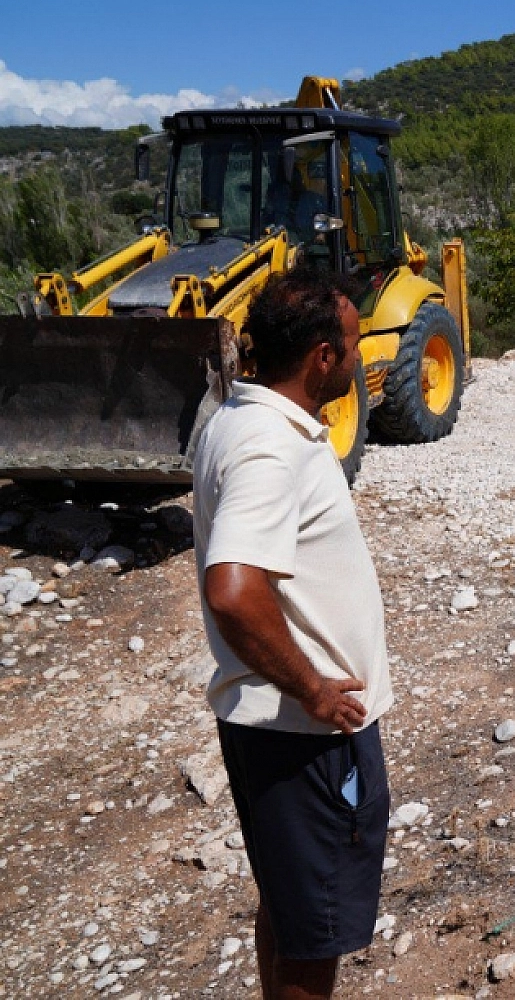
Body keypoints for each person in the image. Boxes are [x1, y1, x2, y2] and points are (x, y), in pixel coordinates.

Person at [193, 272, 392, 1000]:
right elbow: (234, 591)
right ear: (321, 359)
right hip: (304, 735)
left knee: (289, 906)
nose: (359, 352)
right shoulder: (271, 447)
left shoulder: (236, 419)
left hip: (275, 730)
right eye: (354, 342)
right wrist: (311, 686)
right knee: (316, 935)